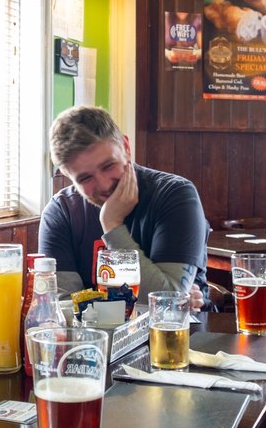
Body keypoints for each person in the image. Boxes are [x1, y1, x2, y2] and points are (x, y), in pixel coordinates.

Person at [38, 105, 209, 304]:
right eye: (85, 178)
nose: (104, 185)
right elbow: (60, 309)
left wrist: (112, 226)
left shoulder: (174, 194)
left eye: (108, 166)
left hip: (186, 334)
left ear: (126, 147)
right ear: (67, 175)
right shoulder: (60, 212)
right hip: (94, 336)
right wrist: (161, 299)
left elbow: (168, 299)